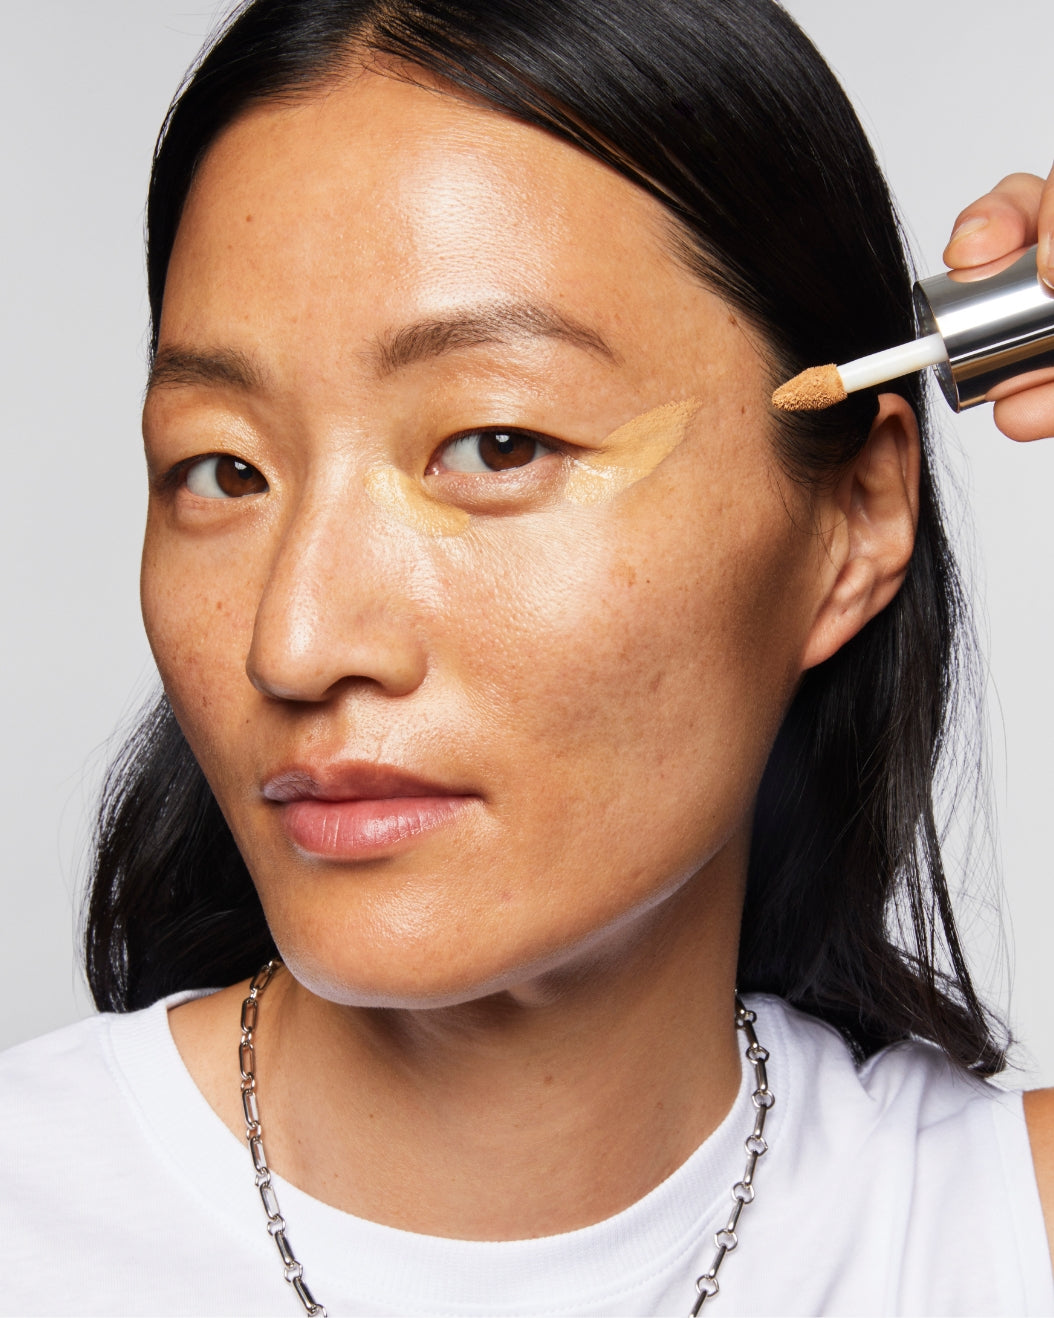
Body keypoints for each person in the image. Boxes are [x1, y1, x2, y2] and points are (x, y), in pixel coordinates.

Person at [2, 0, 1052, 1313]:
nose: (300, 638)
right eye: (223, 469)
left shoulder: (999, 1240)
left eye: (497, 444)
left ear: (850, 523)